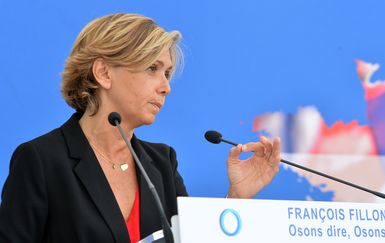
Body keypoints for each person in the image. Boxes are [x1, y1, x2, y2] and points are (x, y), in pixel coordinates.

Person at [0, 13, 281, 243]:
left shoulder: (161, 163)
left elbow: (193, 239)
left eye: (167, 74)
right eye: (152, 69)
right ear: (104, 73)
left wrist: (237, 197)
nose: (166, 87)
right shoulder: (41, 160)